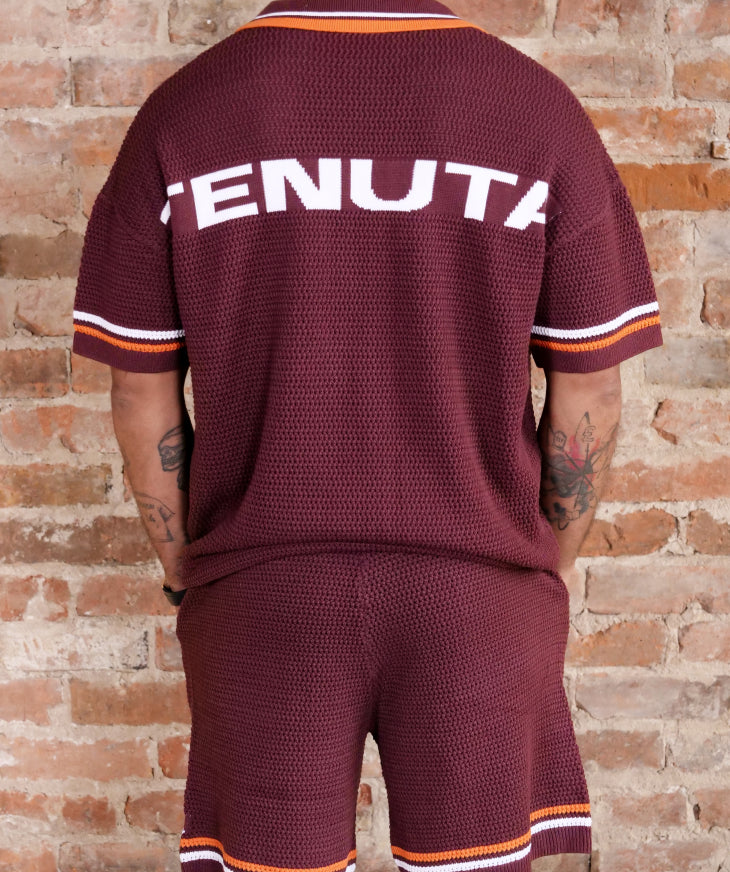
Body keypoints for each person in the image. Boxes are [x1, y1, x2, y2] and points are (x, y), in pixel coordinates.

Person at [72, 1, 663, 869]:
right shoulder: (533, 108)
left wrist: (180, 565)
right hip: (479, 593)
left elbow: (139, 389)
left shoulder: (186, 111)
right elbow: (592, 387)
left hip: (263, 594)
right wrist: (544, 558)